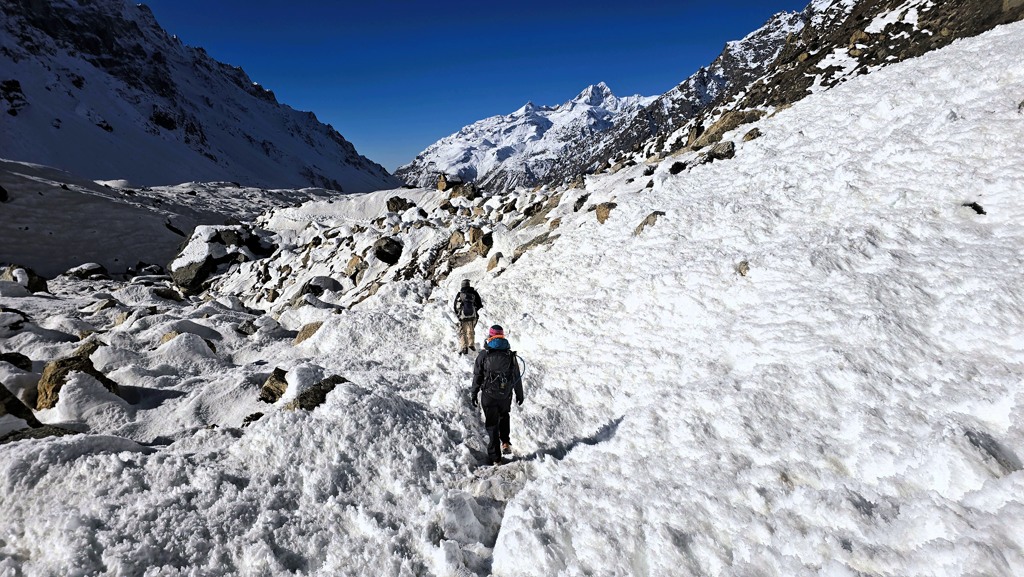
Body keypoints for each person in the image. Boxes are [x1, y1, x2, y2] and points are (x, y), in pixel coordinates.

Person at [470, 325, 524, 465]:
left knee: (492, 424)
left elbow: (477, 376)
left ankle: (496, 458)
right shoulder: (510, 355)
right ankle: (505, 442)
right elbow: (516, 377)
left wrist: (474, 393)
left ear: (490, 336)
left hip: (488, 396)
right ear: (502, 336)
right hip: (505, 395)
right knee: (504, 416)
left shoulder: (484, 354)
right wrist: (519, 394)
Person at [453, 279, 483, 354]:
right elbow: (479, 304)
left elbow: (455, 306)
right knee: (471, 330)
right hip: (473, 315)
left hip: (463, 316)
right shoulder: (474, 293)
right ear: (469, 285)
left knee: (463, 331)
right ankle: (471, 345)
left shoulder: (460, 294)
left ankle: (464, 347)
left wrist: (458, 314)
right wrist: (474, 310)